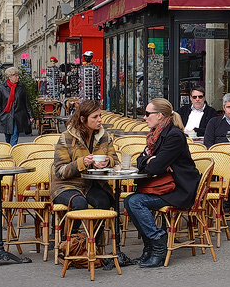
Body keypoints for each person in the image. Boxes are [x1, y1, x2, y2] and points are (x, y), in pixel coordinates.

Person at [124, 98, 201, 268]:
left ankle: (158, 243)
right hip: (166, 186)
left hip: (179, 189)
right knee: (129, 201)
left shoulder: (174, 135)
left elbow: (156, 167)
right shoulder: (156, 135)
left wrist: (150, 161)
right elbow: (142, 161)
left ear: (159, 116)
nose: (144, 118)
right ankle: (149, 247)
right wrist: (148, 160)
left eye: (147, 114)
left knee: (135, 202)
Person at [50, 100, 119, 233]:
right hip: (66, 186)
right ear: (83, 119)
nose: (99, 120)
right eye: (95, 117)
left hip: (93, 184)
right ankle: (69, 242)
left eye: (100, 116)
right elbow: (59, 171)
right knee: (79, 203)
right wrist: (81, 163)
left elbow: (115, 161)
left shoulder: (104, 136)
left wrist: (108, 162)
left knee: (104, 201)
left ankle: (93, 243)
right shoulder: (66, 137)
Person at [0, 67, 33, 145]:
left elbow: (26, 102)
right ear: (10, 77)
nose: (17, 77)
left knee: (14, 135)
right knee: (7, 137)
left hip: (18, 114)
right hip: (6, 115)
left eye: (18, 75)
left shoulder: (21, 87)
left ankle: (12, 152)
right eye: (15, 75)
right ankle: (9, 148)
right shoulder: (2, 87)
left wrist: (31, 115)